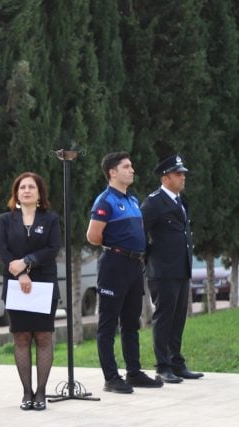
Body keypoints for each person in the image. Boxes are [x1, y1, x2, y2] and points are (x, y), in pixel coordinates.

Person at [86, 152, 162, 394]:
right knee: (108, 323)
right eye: (127, 167)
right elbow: (93, 236)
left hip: (133, 265)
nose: (132, 170)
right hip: (114, 264)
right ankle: (111, 377)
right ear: (112, 172)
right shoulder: (105, 201)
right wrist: (116, 247)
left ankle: (134, 372)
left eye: (132, 166)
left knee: (131, 321)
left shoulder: (132, 200)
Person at [0, 172, 60, 411]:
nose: (26, 190)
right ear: (16, 193)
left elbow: (53, 248)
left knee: (43, 337)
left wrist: (28, 262)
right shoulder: (5, 219)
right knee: (21, 337)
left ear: (39, 193)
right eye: (22, 187)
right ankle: (26, 393)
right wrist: (20, 272)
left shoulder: (50, 219)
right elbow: (3, 249)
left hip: (44, 285)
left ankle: (41, 393)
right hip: (16, 286)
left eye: (31, 187)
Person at [141, 154, 204, 383]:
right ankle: (162, 365)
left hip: (181, 269)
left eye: (183, 174)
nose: (183, 177)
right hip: (163, 271)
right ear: (165, 177)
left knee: (178, 318)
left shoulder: (180, 201)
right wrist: (150, 257)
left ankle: (176, 362)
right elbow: (139, 233)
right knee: (164, 317)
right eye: (178, 174)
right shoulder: (154, 202)